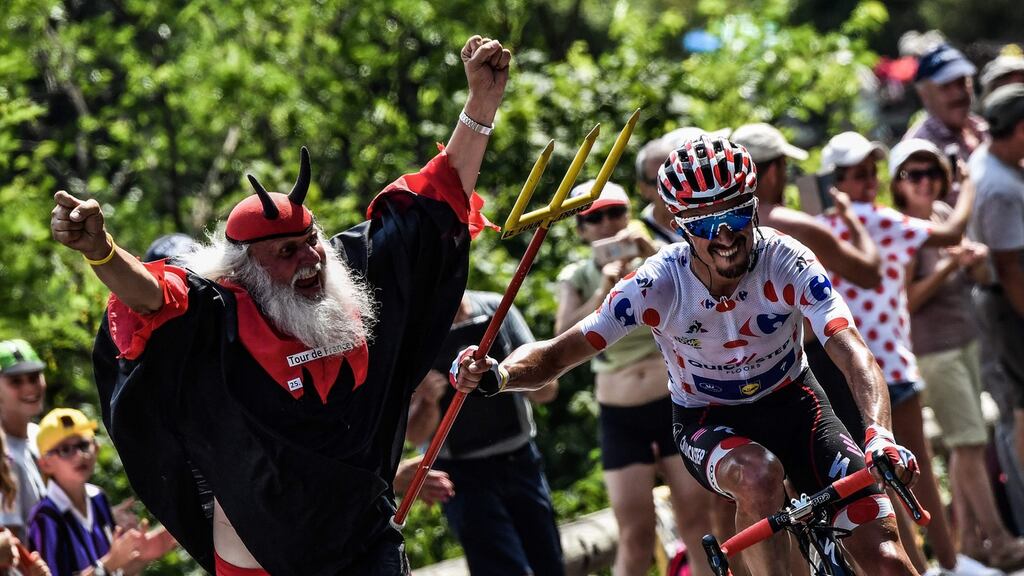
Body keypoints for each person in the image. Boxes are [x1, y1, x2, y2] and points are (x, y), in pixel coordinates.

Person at [49, 35, 510, 575]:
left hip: (363, 547)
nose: (312, 258)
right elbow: (152, 297)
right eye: (288, 251)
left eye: (312, 238)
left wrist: (481, 103)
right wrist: (99, 249)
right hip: (260, 563)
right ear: (246, 266)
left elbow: (436, 201)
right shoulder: (217, 314)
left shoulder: (356, 273)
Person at [458, 136, 921, 576]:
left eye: (735, 216)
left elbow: (851, 349)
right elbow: (559, 355)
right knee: (758, 477)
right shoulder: (656, 285)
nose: (723, 236)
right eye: (702, 223)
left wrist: (878, 432)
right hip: (710, 419)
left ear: (754, 208)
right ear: (680, 226)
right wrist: (499, 375)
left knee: (888, 562)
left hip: (799, 406)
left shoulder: (786, 261)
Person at [817, 131, 979, 574]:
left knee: (883, 481)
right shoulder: (879, 219)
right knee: (912, 468)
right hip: (887, 364)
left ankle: (929, 567)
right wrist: (967, 187)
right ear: (836, 180)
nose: (869, 179)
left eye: (873, 170)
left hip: (854, 369)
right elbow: (951, 230)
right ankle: (944, 565)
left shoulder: (819, 229)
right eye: (858, 173)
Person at [554, 179, 718, 576]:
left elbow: (704, 299)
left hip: (673, 404)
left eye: (616, 212)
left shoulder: (662, 260)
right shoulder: (576, 276)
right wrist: (604, 294)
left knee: (697, 523)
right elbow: (561, 336)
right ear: (581, 228)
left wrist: (652, 253)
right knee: (635, 535)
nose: (608, 223)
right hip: (620, 414)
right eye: (595, 217)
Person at [893, 138, 1024, 574]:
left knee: (966, 445)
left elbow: (981, 274)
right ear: (898, 184)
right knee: (969, 443)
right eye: (915, 175)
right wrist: (950, 266)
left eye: (932, 174)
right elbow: (905, 301)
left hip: (967, 341)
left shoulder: (944, 217)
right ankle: (1001, 542)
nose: (926, 183)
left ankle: (972, 543)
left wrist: (976, 261)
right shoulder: (904, 231)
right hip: (935, 352)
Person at [407, 291, 563, 576]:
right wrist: (427, 400)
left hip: (521, 461)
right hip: (460, 477)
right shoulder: (411, 330)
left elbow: (548, 391)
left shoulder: (497, 309)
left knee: (549, 564)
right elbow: (415, 437)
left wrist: (507, 374)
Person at [27, 409, 173, 576]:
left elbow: (116, 572)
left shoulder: (98, 498)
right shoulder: (45, 517)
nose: (79, 455)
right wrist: (109, 563)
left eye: (83, 445)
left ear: (95, 448)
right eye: (65, 450)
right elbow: (108, 566)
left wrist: (143, 555)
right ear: (45, 464)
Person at [970, 84, 1024, 499]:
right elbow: (1009, 268)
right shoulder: (1000, 186)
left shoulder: (989, 160)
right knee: (1019, 412)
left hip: (1001, 300)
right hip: (1009, 304)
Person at [905, 43, 987, 203]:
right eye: (945, 86)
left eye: (962, 82)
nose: (958, 93)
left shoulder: (983, 128)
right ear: (924, 95)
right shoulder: (920, 147)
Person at [0, 341, 49, 539]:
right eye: (15, 381)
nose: (30, 387)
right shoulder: (2, 452)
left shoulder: (41, 436)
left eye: (34, 377)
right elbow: (8, 539)